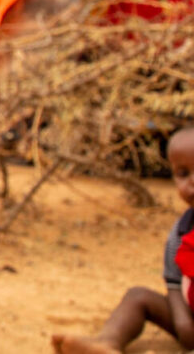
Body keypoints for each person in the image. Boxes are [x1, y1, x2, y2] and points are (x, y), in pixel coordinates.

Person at [52, 126, 194, 353]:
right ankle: (107, 341)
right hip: (190, 320)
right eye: (183, 174)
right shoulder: (181, 231)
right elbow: (174, 282)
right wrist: (183, 322)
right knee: (138, 297)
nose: (192, 182)